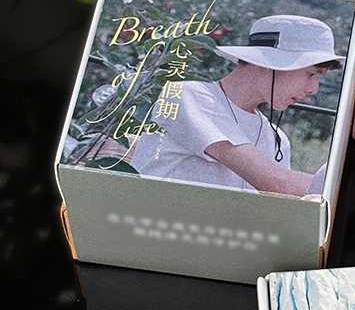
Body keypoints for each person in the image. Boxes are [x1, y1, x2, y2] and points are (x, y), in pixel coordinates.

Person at [129, 15, 343, 195]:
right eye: (311, 74)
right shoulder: (187, 95)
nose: (313, 89)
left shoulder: (276, 139)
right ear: (271, 63)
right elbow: (276, 183)